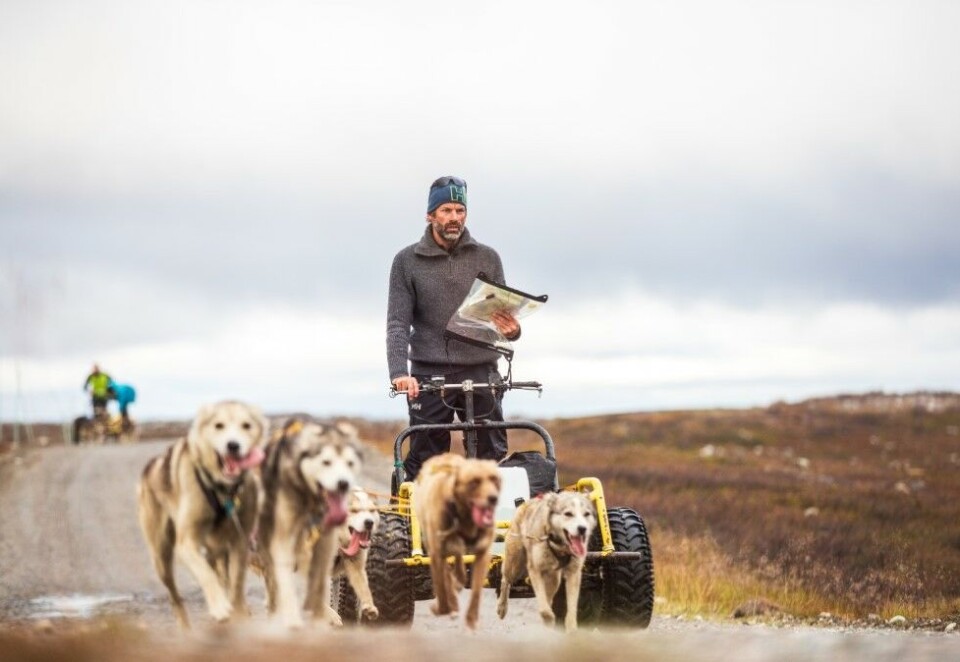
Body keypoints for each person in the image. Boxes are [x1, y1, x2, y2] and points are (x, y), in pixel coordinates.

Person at [386, 176, 521, 481]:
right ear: (430, 215)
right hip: (428, 374)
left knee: (492, 458)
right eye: (446, 210)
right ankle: (415, 523)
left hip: (482, 369)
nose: (454, 218)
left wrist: (512, 332)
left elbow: (500, 316)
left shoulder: (487, 257)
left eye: (460, 210)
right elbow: (397, 322)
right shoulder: (407, 261)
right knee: (425, 460)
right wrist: (399, 373)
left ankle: (493, 525)